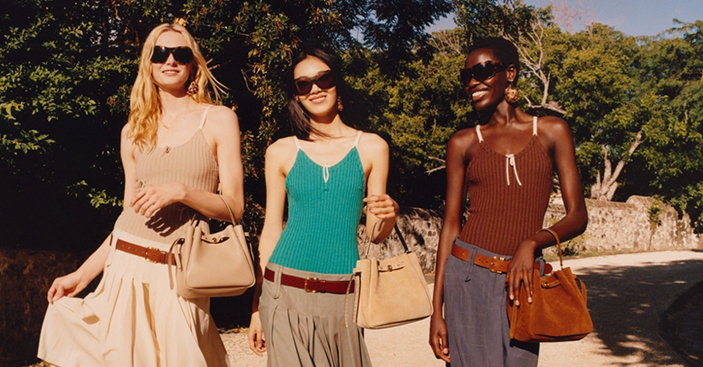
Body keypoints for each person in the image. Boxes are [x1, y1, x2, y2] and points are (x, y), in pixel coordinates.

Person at [36, 23, 242, 367]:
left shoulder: (219, 119)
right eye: (160, 53)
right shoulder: (133, 131)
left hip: (179, 274)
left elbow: (234, 207)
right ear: (149, 63)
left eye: (180, 54)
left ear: (193, 64)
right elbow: (126, 217)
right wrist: (81, 275)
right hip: (124, 269)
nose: (170, 60)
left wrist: (182, 192)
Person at [428, 37, 589, 367]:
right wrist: (436, 311)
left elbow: (578, 216)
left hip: (523, 278)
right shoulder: (463, 142)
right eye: (467, 76)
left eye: (483, 71)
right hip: (467, 277)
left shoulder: (552, 130)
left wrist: (531, 243)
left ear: (510, 73)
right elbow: (451, 227)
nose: (473, 82)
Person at [246, 46, 398, 367]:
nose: (314, 88)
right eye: (303, 84)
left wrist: (389, 215)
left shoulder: (372, 147)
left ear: (337, 82)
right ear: (297, 96)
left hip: (344, 296)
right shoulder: (280, 151)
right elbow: (271, 231)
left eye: (323, 79)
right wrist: (257, 306)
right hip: (282, 290)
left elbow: (375, 233)